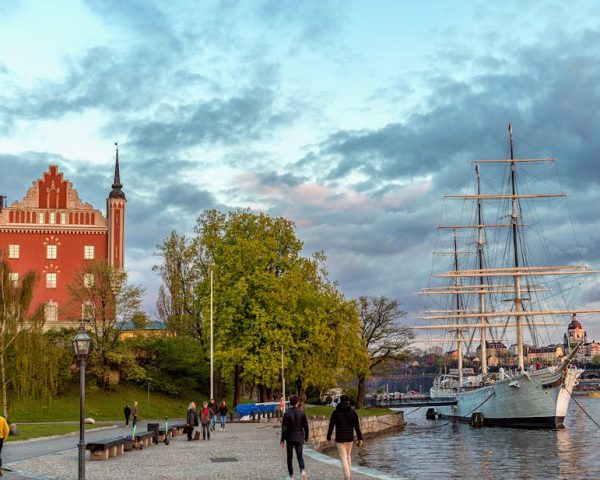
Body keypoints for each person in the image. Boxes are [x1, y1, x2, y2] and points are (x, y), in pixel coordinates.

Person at [326, 395, 363, 480]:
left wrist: (328, 437)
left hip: (340, 439)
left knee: (343, 457)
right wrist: (360, 438)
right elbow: (357, 427)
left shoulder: (335, 412)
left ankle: (347, 476)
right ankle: (348, 474)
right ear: (348, 401)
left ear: (340, 401)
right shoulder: (353, 412)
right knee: (348, 456)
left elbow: (331, 426)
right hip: (350, 438)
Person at [280, 395, 308, 480]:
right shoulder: (302, 413)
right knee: (300, 456)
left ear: (290, 403)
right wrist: (306, 437)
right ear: (298, 402)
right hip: (299, 437)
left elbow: (284, 428)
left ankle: (291, 475)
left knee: (290, 457)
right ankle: (302, 470)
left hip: (290, 438)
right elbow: (306, 426)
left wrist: (282, 439)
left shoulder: (286, 413)